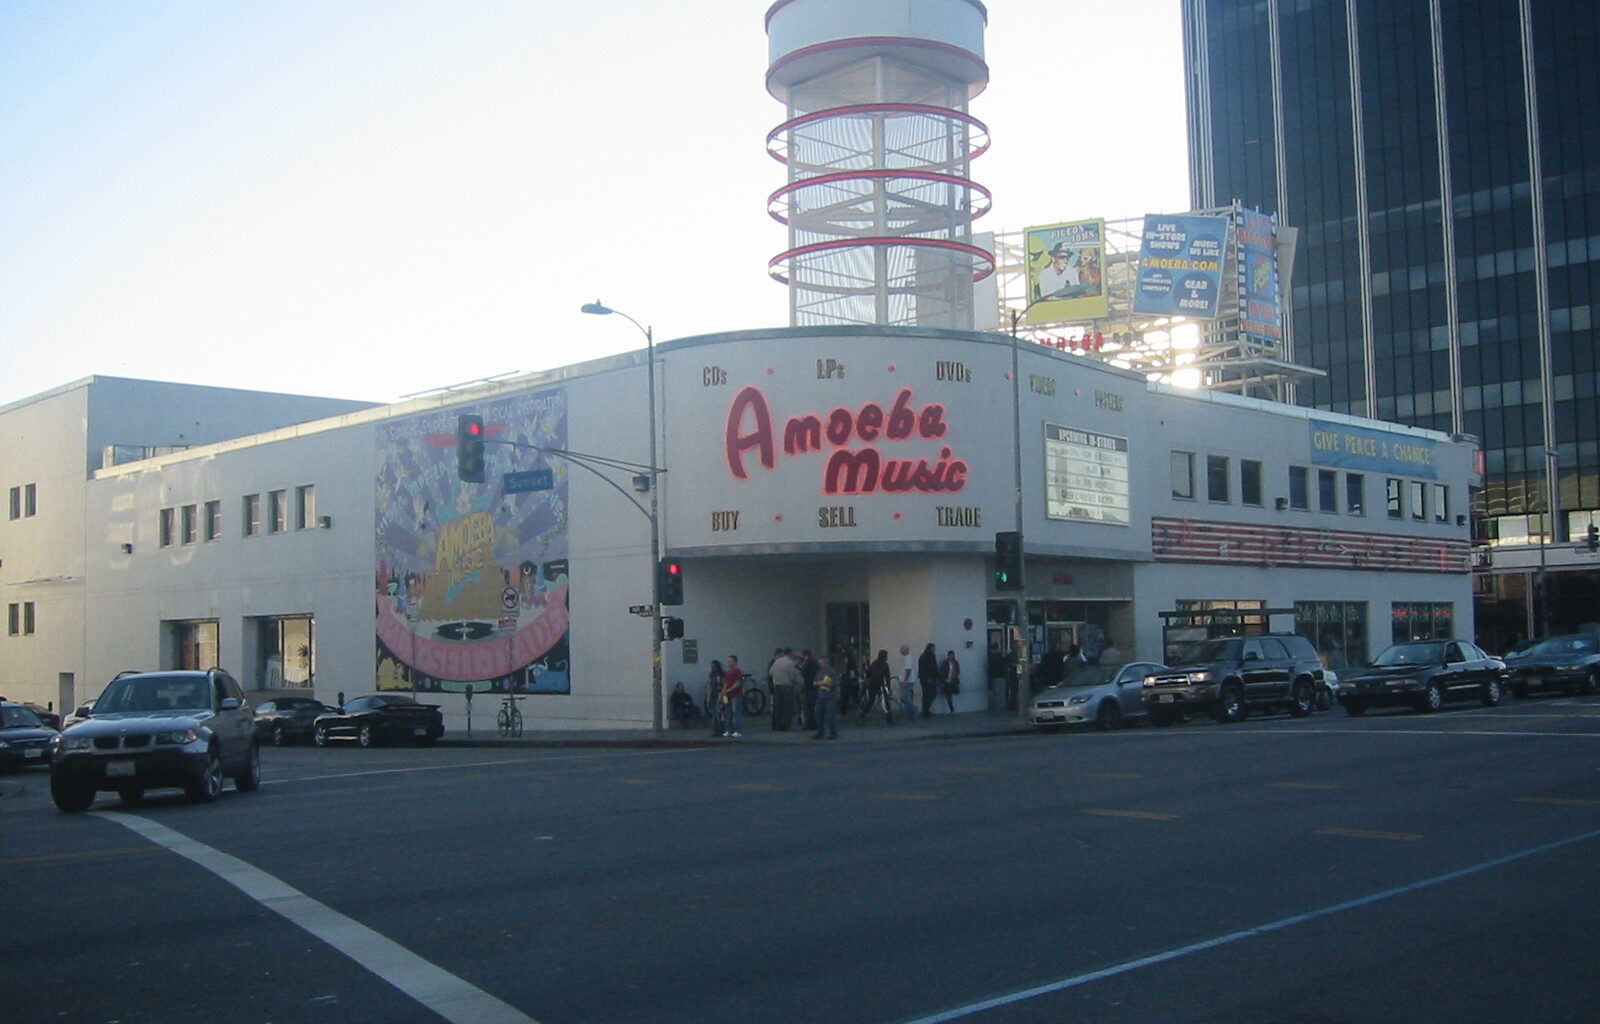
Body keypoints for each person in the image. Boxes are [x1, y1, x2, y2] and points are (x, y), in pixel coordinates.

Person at [769, 648, 801, 731]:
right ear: (789, 654)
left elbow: (770, 672)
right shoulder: (789, 662)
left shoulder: (777, 661)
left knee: (777, 708)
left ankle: (777, 726)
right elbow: (793, 675)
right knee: (787, 707)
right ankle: (786, 726)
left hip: (776, 686)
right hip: (786, 687)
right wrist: (797, 683)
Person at [862, 649, 894, 724]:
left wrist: (888, 687)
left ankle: (889, 720)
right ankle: (863, 713)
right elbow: (871, 674)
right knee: (871, 700)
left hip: (880, 685)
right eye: (886, 656)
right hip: (873, 685)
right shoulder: (875, 664)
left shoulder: (884, 665)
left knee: (886, 701)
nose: (887, 657)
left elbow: (887, 677)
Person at [811, 656, 839, 740]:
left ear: (826, 663)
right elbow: (815, 682)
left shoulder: (832, 673)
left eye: (822, 663)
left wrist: (822, 683)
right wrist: (818, 683)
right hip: (821, 696)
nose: (821, 665)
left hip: (831, 697)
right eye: (820, 664)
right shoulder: (819, 673)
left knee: (831, 715)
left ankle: (833, 733)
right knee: (818, 714)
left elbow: (833, 684)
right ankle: (820, 732)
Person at [721, 655, 745, 738]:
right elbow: (726, 683)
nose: (729, 663)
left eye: (730, 661)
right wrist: (723, 692)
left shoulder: (737, 671)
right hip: (728, 696)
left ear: (735, 661)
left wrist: (728, 690)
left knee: (736, 713)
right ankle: (728, 730)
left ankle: (737, 731)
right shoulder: (728, 672)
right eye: (728, 661)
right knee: (728, 713)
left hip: (736, 695)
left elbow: (738, 683)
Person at [798, 648, 820, 731]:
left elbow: (803, 673)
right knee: (814, 707)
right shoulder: (815, 661)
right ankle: (815, 724)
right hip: (815, 686)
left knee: (809, 707)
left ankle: (810, 725)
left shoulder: (807, 662)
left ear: (805, 655)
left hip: (809, 686)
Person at [917, 642, 940, 717]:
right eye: (933, 648)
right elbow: (924, 669)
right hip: (927, 679)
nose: (934, 650)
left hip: (930, 678)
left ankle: (926, 709)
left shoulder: (930, 656)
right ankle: (925, 710)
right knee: (929, 694)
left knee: (930, 694)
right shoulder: (926, 657)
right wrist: (928, 678)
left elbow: (934, 667)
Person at [705, 659, 726, 735]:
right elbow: (710, 686)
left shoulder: (722, 675)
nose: (712, 668)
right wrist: (708, 698)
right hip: (714, 695)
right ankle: (716, 730)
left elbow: (725, 685)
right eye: (711, 666)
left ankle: (721, 730)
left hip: (721, 695)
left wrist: (723, 696)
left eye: (713, 666)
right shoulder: (712, 675)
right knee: (714, 714)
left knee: (720, 713)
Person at [899, 644, 918, 719]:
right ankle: (910, 713)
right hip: (906, 680)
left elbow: (908, 670)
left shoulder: (908, 658)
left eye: (902, 649)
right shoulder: (906, 658)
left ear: (906, 650)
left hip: (907, 681)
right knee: (906, 697)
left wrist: (904, 680)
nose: (900, 650)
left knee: (904, 697)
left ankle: (914, 709)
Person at [940, 650, 961, 714]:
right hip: (947, 681)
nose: (951, 656)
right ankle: (951, 708)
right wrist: (943, 679)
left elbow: (958, 670)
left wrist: (955, 675)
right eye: (950, 655)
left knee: (953, 693)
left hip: (953, 680)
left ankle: (953, 708)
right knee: (948, 695)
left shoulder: (955, 662)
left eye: (952, 655)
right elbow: (942, 671)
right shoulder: (945, 662)